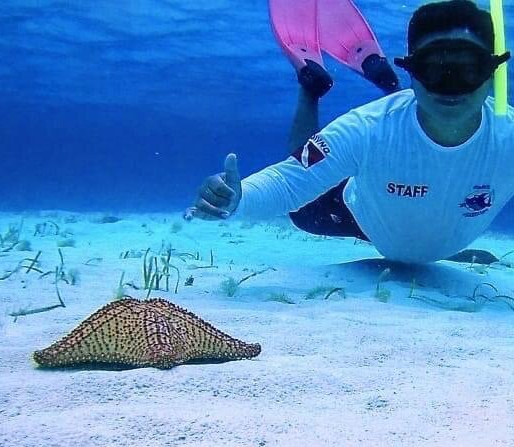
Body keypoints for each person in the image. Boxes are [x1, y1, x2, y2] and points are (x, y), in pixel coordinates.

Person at [190, 0, 513, 265]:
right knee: (302, 213)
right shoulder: (366, 128)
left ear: (493, 72)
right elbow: (290, 182)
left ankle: (385, 79)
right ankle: (312, 85)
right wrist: (237, 199)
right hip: (359, 216)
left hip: (426, 233)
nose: (451, 85)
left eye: (468, 69)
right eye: (434, 68)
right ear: (412, 71)